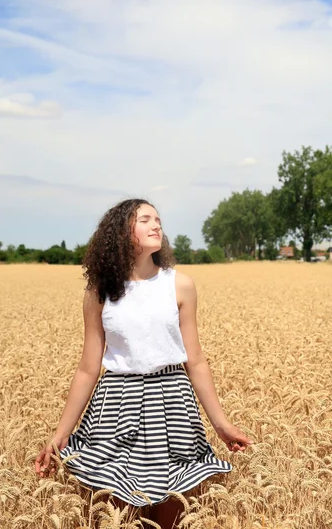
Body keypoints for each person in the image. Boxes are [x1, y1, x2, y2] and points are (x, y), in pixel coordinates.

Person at [35, 198, 254, 528]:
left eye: (158, 220)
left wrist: (221, 424)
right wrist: (59, 435)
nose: (156, 225)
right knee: (118, 519)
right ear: (122, 232)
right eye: (145, 220)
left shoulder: (179, 285)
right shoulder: (100, 291)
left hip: (172, 403)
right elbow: (87, 368)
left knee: (172, 516)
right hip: (116, 406)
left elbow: (194, 360)